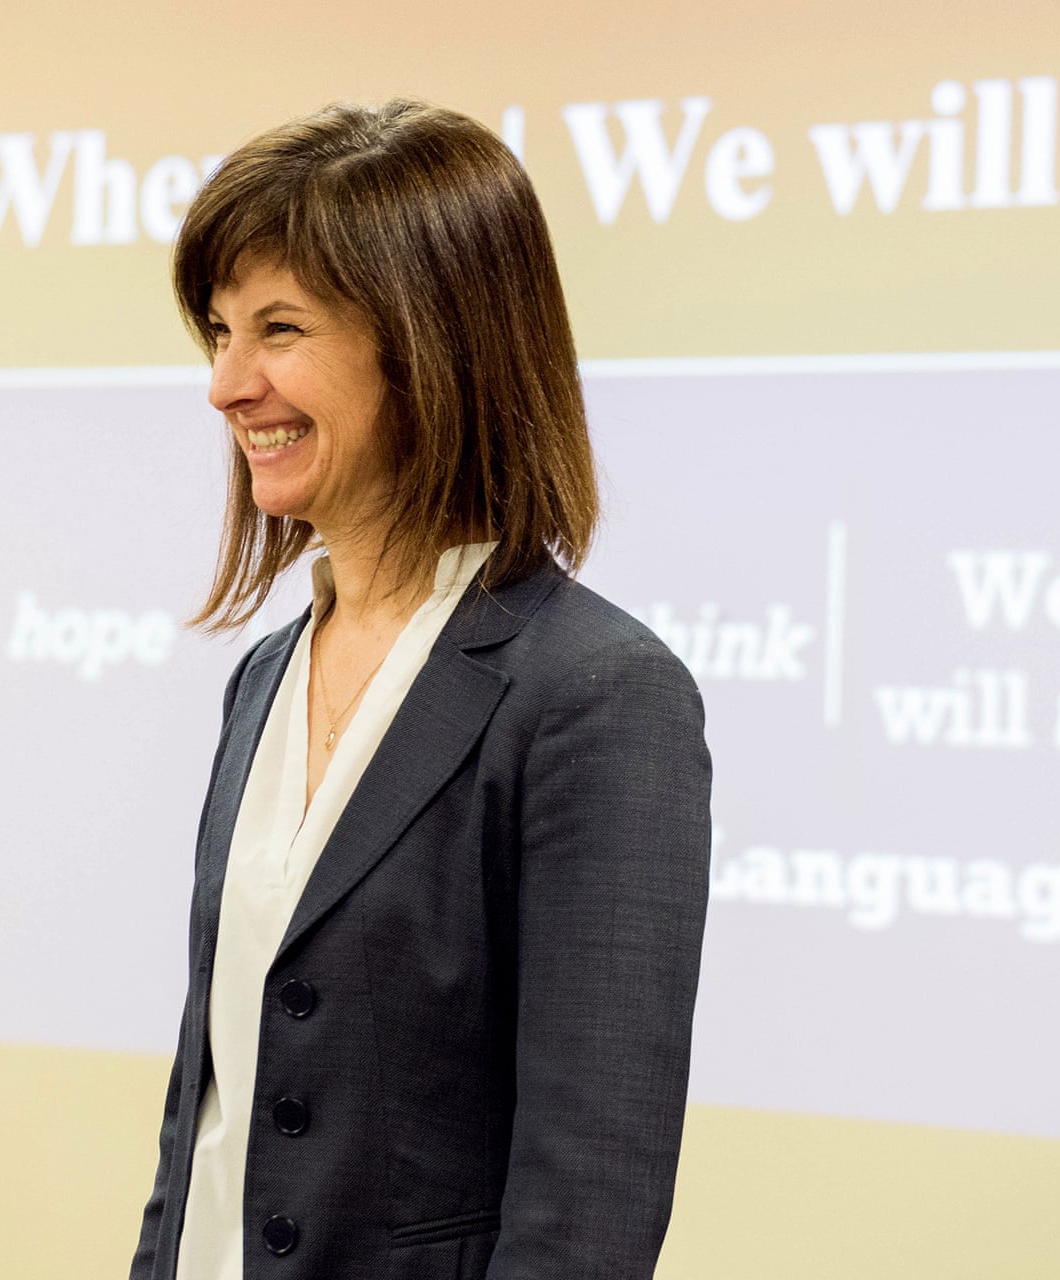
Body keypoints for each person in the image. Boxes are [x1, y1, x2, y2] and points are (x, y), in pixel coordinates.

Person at [127, 99, 713, 1280]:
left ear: (430, 340)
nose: (227, 385)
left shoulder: (599, 695)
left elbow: (586, 1211)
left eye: (279, 329)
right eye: (221, 333)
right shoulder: (264, 675)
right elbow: (213, 1111)